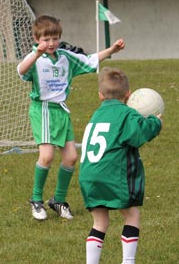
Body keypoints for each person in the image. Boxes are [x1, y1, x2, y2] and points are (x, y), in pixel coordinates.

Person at [17, 15, 125, 221]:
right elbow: (21, 71)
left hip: (61, 111)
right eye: (46, 39)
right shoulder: (35, 58)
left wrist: (111, 50)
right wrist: (36, 54)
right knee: (47, 156)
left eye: (55, 38)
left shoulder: (66, 56)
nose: (51, 43)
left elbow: (91, 59)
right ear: (36, 38)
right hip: (43, 110)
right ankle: (36, 200)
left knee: (71, 157)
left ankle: (58, 200)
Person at [79, 67, 162, 263]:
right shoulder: (126, 114)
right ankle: (128, 261)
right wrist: (155, 122)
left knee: (100, 221)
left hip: (89, 176)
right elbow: (139, 134)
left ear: (100, 95)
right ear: (128, 95)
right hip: (113, 175)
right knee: (131, 214)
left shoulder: (97, 115)